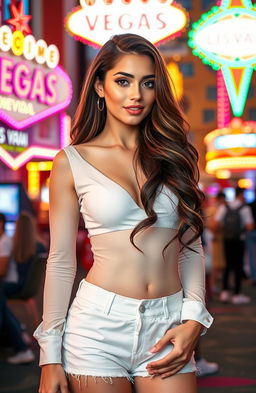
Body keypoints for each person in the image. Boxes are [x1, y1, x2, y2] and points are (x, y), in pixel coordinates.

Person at [34, 34, 213, 393]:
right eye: (122, 81)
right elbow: (61, 260)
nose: (137, 95)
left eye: (148, 83)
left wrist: (194, 319)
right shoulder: (71, 162)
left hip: (167, 321)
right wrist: (49, 355)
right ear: (99, 86)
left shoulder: (174, 156)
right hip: (97, 327)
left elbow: (190, 248)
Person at [0, 213, 34, 364]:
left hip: (10, 283)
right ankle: (19, 330)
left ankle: (21, 347)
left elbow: (2, 271)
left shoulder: (4, 242)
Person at [215, 187, 254, 304]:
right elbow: (250, 226)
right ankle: (237, 294)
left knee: (227, 265)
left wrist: (225, 230)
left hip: (227, 239)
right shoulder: (245, 208)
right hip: (239, 240)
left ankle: (224, 293)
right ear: (241, 195)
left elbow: (216, 223)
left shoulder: (224, 207)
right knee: (238, 266)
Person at [3, 211, 47, 298]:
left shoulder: (15, 246)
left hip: (17, 285)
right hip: (31, 287)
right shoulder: (41, 246)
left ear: (17, 227)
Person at [247, 188, 256, 285]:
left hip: (251, 231)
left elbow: (248, 223)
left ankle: (253, 277)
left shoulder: (249, 205)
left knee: (251, 255)